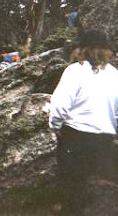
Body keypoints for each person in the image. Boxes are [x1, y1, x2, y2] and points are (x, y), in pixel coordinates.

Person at [49, 29, 118, 215]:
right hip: (105, 140)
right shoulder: (115, 75)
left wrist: (55, 127)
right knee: (97, 192)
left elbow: (59, 106)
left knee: (72, 189)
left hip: (76, 138)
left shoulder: (74, 71)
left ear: (82, 48)